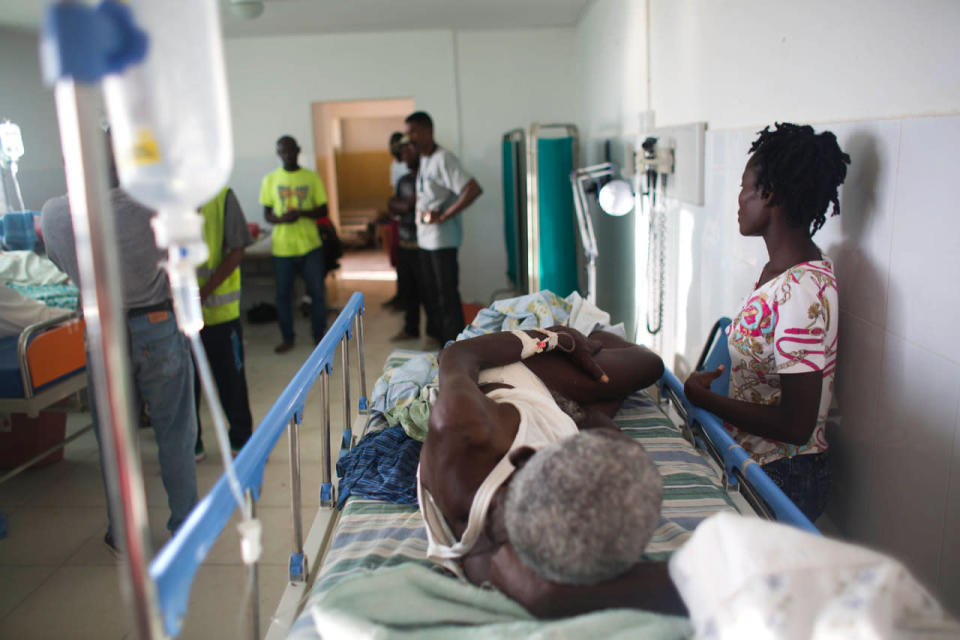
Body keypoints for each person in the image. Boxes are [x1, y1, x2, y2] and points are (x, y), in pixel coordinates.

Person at [417, 326, 686, 618]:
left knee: (646, 366)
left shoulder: (462, 426)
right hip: (543, 398)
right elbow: (684, 580)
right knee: (624, 385)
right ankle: (592, 366)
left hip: (522, 383)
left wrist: (553, 338)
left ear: (523, 457)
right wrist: (553, 340)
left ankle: (594, 336)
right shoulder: (531, 556)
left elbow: (457, 354)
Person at [684, 123, 850, 522]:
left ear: (769, 194)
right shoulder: (777, 273)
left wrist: (705, 398)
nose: (738, 201)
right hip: (756, 464)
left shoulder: (802, 288)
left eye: (744, 189)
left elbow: (796, 424)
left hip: (785, 477)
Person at [41, 136, 199, 555]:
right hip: (156, 324)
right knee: (174, 432)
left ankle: (123, 531)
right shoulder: (155, 206)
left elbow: (61, 264)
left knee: (114, 439)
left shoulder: (56, 213)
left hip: (101, 329)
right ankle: (184, 525)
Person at [404, 111, 482, 345]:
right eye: (408, 133)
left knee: (446, 295)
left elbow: (472, 188)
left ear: (428, 131)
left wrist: (446, 215)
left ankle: (455, 345)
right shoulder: (424, 159)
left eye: (414, 132)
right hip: (425, 240)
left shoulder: (443, 159)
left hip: (442, 241)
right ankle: (440, 340)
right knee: (431, 293)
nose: (410, 138)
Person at [193, 186, 255, 461]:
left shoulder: (221, 197)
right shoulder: (165, 196)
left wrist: (204, 292)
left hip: (219, 314)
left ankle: (241, 439)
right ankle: (191, 441)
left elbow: (237, 248)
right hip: (180, 315)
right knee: (185, 385)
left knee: (231, 380)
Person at [260, 135, 328, 353]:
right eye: (283, 151)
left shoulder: (311, 177)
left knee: (317, 293)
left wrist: (301, 214)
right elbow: (267, 215)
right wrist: (283, 219)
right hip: (283, 248)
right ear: (278, 153)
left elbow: (323, 210)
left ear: (298, 150)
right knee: (283, 296)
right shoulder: (270, 179)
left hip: (310, 245)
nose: (288, 154)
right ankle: (287, 337)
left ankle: (320, 337)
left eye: (291, 150)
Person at [387, 140, 424, 341]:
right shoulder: (403, 181)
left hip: (423, 246)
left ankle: (435, 333)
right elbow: (393, 205)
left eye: (407, 153)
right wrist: (403, 205)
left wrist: (402, 205)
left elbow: (407, 207)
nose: (404, 157)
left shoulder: (425, 180)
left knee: (428, 292)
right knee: (408, 291)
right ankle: (411, 329)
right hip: (404, 242)